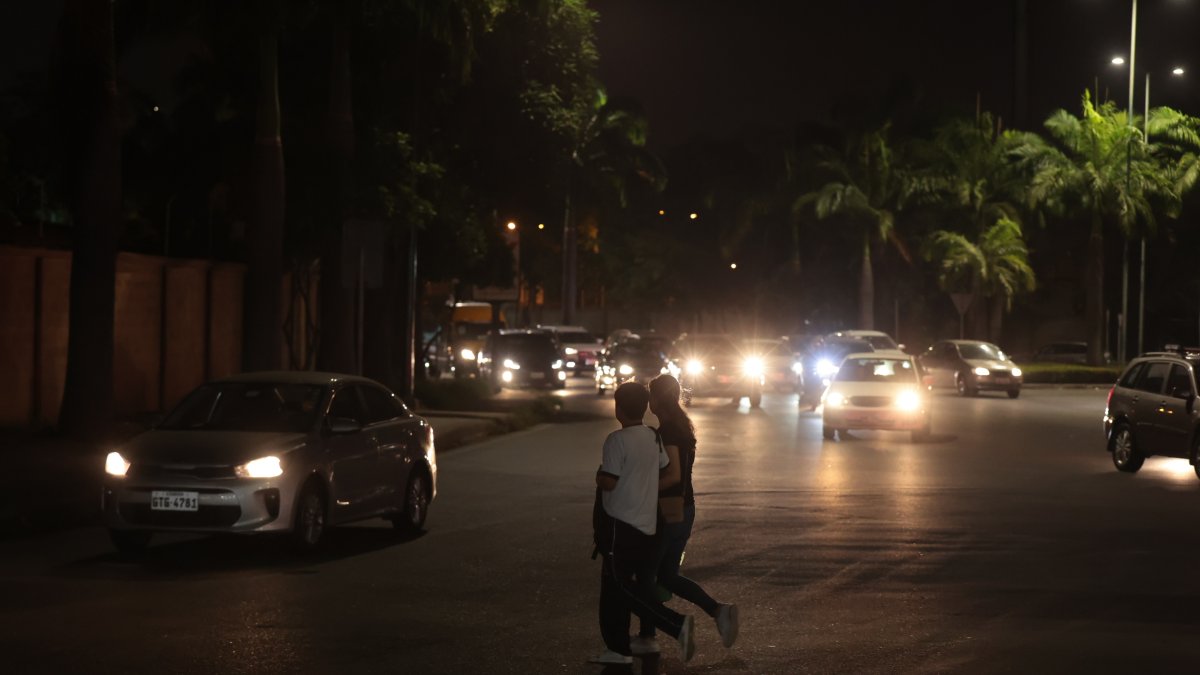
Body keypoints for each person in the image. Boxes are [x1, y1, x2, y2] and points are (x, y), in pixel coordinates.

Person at [632, 373, 740, 655]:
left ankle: (653, 635)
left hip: (668, 510)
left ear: (657, 400)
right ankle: (718, 611)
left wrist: (640, 488)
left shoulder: (668, 431)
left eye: (650, 397)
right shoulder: (682, 426)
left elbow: (674, 475)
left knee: (645, 575)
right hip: (685, 509)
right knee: (666, 575)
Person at [592, 382, 696, 666]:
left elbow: (610, 481)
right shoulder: (652, 436)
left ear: (618, 408)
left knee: (620, 587)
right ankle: (619, 647)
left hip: (619, 525)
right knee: (622, 586)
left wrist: (601, 476)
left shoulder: (617, 440)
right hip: (647, 525)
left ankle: (674, 625)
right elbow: (664, 469)